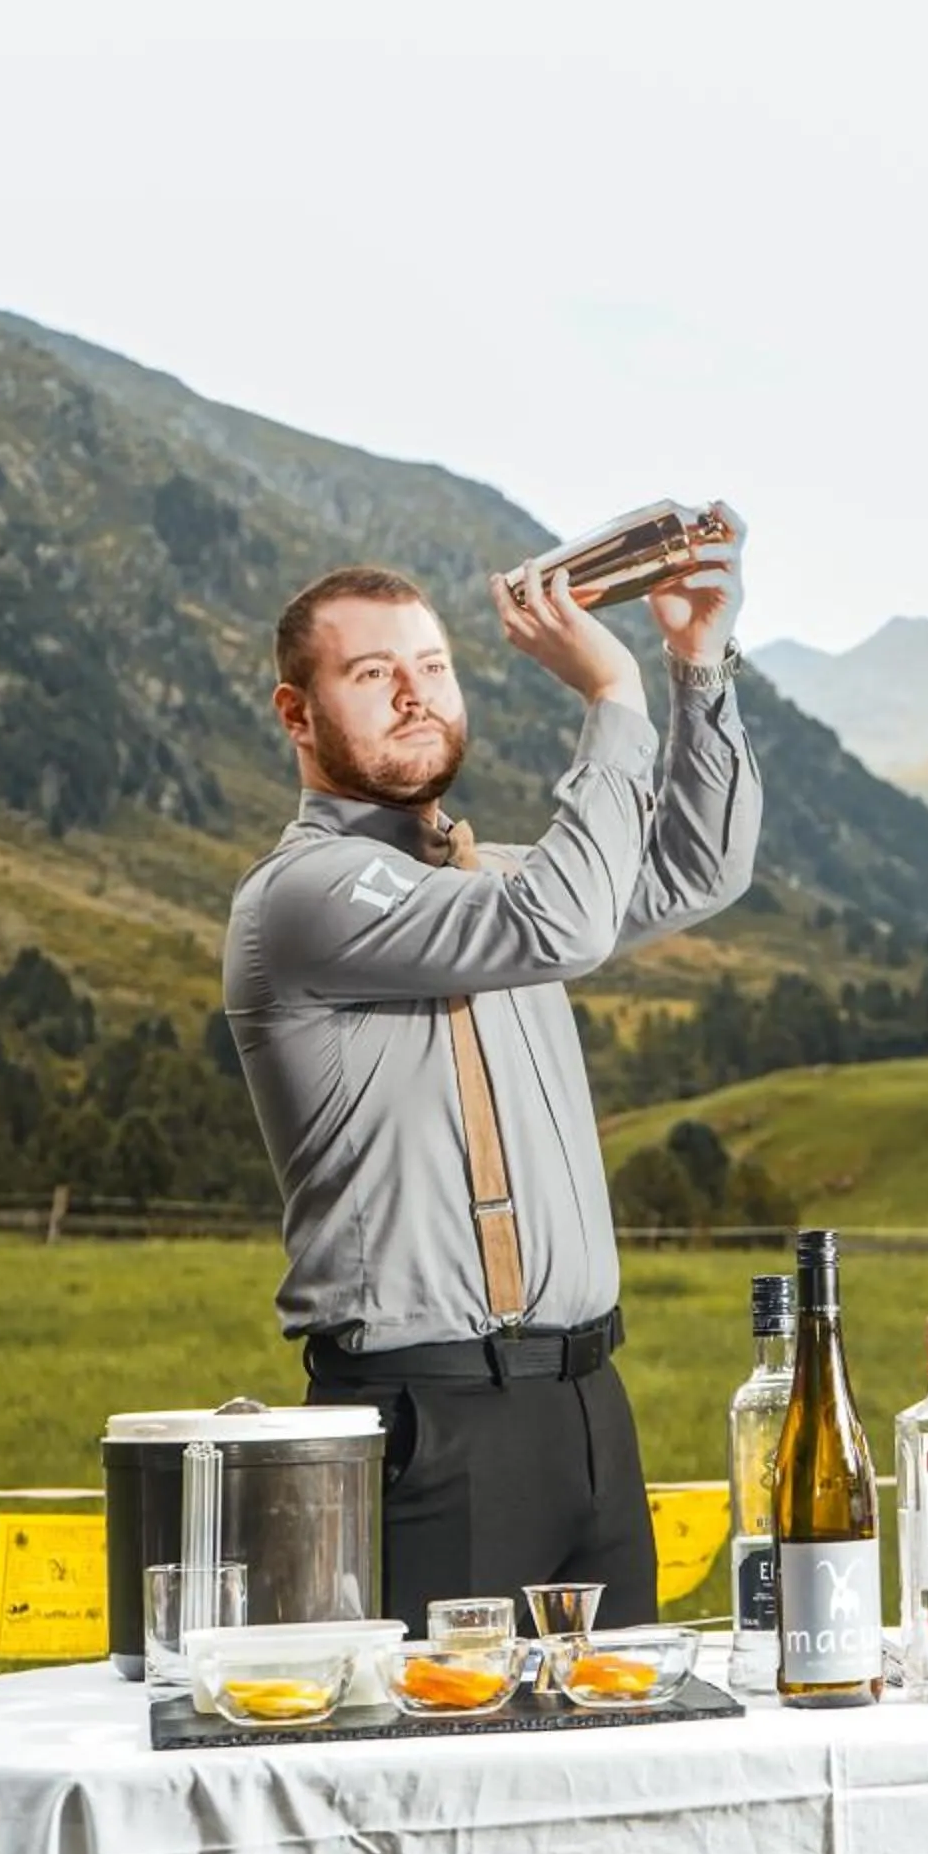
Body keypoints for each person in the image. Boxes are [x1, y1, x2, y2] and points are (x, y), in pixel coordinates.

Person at [221, 525, 760, 1633]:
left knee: (618, 1749)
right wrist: (609, 693)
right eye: (372, 675)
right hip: (429, 1419)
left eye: (433, 667)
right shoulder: (304, 896)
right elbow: (557, 921)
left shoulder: (491, 883)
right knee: (446, 1773)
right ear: (296, 715)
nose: (415, 695)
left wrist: (694, 666)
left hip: (587, 1410)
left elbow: (698, 869)